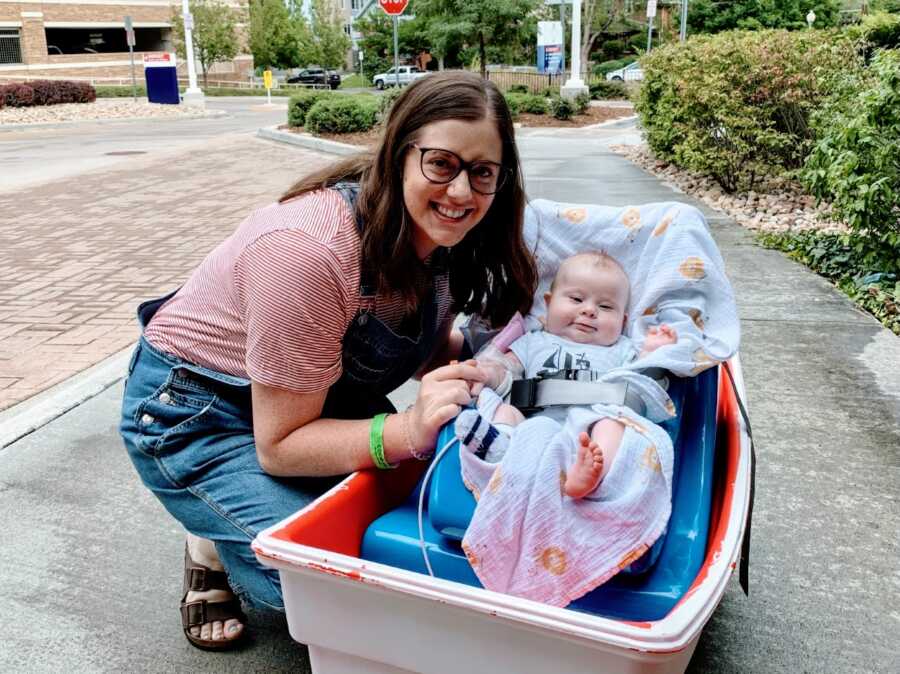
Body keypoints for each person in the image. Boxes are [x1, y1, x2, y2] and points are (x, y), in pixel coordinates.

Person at [119, 71, 537, 650]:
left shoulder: (446, 238)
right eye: (441, 163)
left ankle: (230, 521)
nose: (462, 192)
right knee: (334, 588)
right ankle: (210, 542)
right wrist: (409, 429)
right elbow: (281, 444)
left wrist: (502, 364)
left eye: (482, 172)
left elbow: (421, 346)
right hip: (196, 416)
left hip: (313, 395)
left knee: (408, 516)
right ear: (398, 155)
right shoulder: (308, 250)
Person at [458, 251, 677, 499]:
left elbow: (641, 384)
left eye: (605, 306)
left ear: (623, 320)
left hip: (587, 431)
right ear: (549, 304)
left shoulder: (622, 349)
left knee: (613, 424)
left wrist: (652, 354)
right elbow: (505, 370)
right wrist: (486, 373)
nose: (590, 310)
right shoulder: (532, 342)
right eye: (576, 299)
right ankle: (500, 448)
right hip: (529, 427)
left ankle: (593, 472)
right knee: (501, 408)